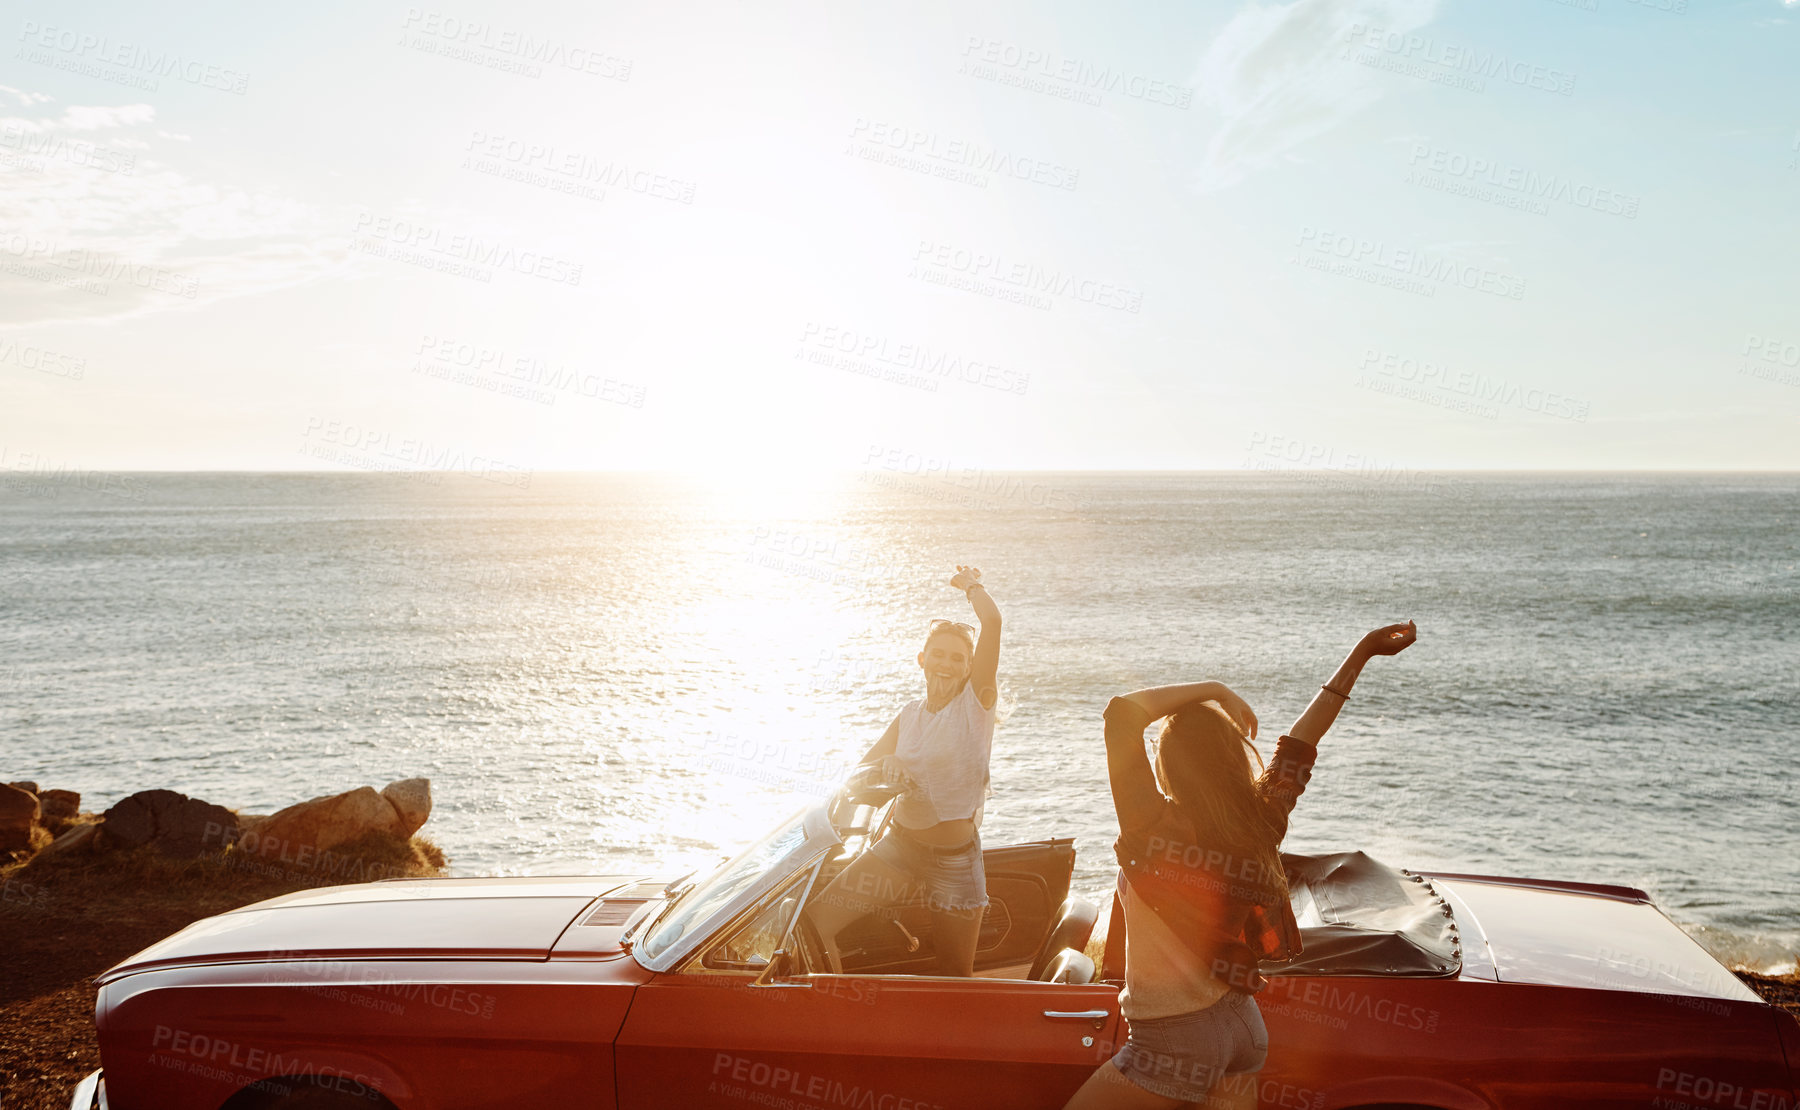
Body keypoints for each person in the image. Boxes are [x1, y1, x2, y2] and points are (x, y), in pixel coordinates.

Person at [1063, 620, 1418, 1109]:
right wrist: (1362, 652)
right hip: (1242, 1026)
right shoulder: (1260, 817)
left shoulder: (1152, 827)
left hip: (1171, 1038)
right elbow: (1301, 743)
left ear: (1168, 763)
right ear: (1232, 757)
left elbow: (1121, 714)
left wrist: (1212, 689)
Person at [804, 565, 1002, 977]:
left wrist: (971, 586)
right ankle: (832, 1021)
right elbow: (859, 773)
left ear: (968, 668)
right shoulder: (909, 715)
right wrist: (885, 764)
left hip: (954, 861)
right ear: (922, 659)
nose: (946, 664)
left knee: (953, 975)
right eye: (939, 654)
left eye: (958, 658)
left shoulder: (976, 707)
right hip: (899, 848)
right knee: (815, 924)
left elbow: (993, 622)